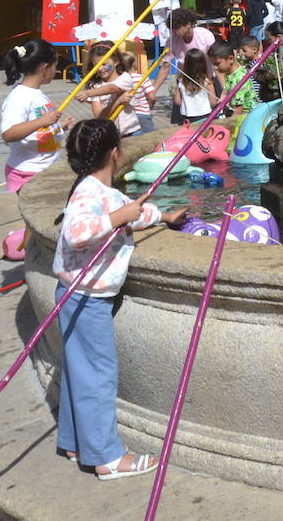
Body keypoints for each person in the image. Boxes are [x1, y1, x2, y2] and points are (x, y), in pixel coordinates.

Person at [52, 118, 186, 479]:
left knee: (78, 372)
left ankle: (74, 441)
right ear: (115, 153)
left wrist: (165, 217)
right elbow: (76, 233)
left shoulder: (94, 189)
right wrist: (117, 218)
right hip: (87, 299)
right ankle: (107, 458)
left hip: (73, 292)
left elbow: (135, 212)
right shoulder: (89, 195)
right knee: (98, 375)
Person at [1, 39, 75, 192]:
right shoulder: (19, 97)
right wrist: (43, 120)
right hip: (28, 172)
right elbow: (9, 134)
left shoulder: (36, 94)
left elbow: (38, 130)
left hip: (46, 168)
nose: (56, 71)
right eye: (55, 66)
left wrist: (60, 127)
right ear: (45, 67)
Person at [152, 9, 217, 123]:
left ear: (188, 25)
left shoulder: (205, 35)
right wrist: (153, 90)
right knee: (182, 121)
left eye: (177, 28)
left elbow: (217, 61)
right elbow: (166, 66)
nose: (174, 32)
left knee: (213, 117)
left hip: (208, 80)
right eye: (172, 29)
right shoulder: (172, 41)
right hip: (186, 83)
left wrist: (224, 88)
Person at [75, 53, 142, 137]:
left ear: (116, 61)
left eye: (104, 64)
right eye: (96, 65)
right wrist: (118, 101)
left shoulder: (125, 78)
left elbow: (113, 88)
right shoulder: (95, 87)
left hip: (132, 132)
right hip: (111, 135)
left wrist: (88, 93)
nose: (100, 68)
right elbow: (99, 117)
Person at [209, 41, 257, 117]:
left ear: (231, 59)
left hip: (247, 118)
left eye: (217, 63)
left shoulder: (238, 79)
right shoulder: (232, 72)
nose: (215, 67)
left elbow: (238, 112)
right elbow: (227, 88)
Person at [174, 48, 217, 123]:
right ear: (204, 64)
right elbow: (213, 102)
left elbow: (177, 101)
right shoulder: (207, 82)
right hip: (204, 116)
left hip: (186, 117)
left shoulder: (182, 81)